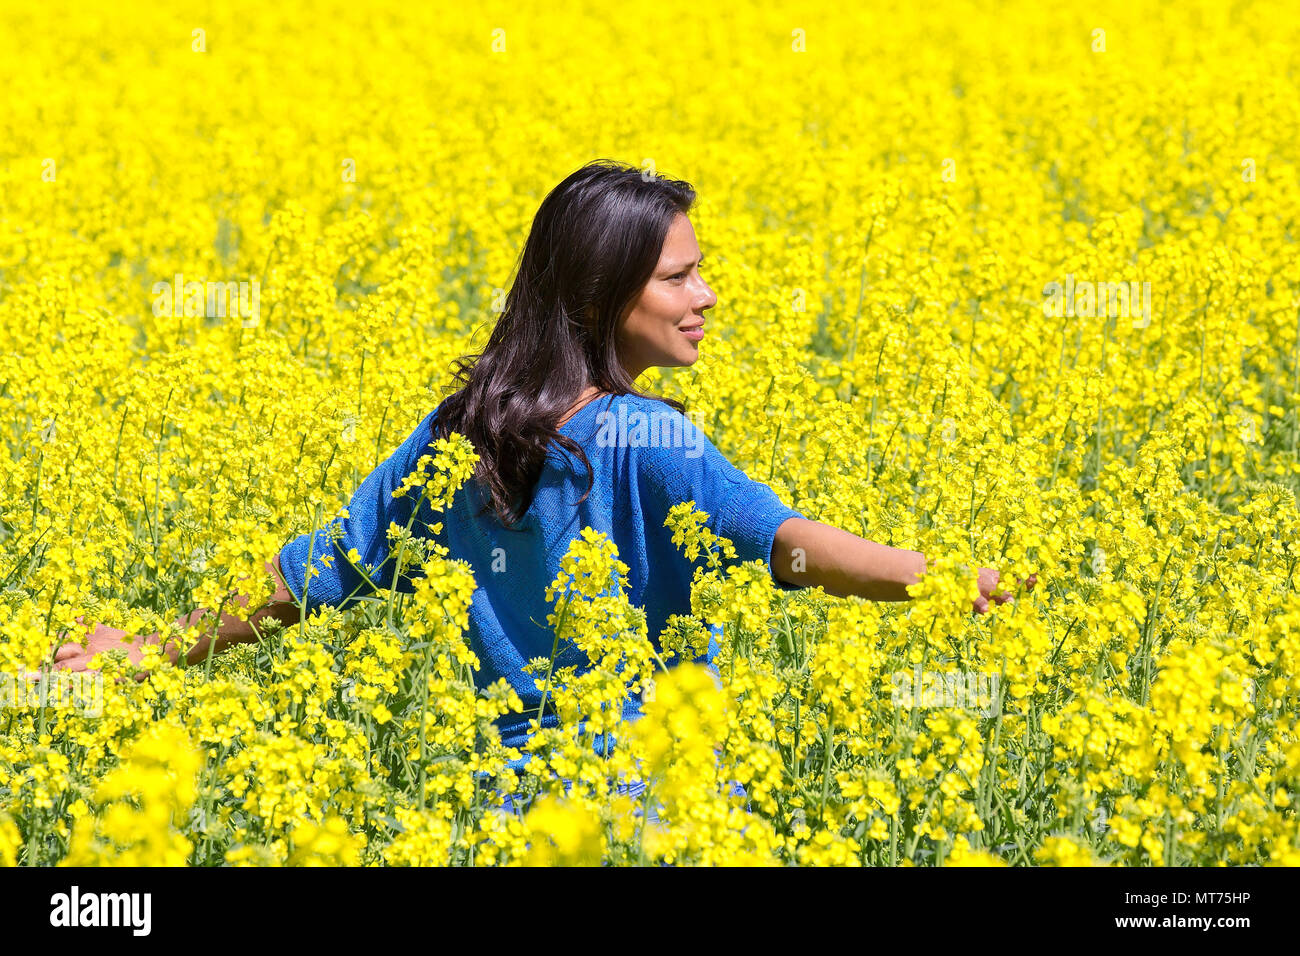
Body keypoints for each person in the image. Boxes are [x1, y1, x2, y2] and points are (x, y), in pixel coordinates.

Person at [50, 159, 1032, 814]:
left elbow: (299, 579)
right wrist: (942, 579)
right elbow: (788, 543)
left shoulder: (457, 434)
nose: (707, 297)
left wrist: (138, 653)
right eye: (679, 278)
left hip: (506, 814)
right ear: (604, 296)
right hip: (649, 812)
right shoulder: (647, 437)